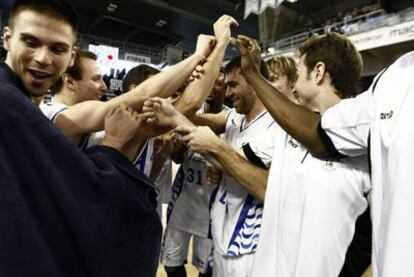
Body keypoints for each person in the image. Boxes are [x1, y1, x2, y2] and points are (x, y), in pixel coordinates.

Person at [0, 0, 161, 276]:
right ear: (7, 39)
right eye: (30, 41)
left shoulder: (24, 104)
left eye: (57, 48)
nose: (43, 58)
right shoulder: (12, 104)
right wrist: (113, 145)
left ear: (70, 56)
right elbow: (79, 195)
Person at [231, 33, 371, 277]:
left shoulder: (366, 135)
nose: (293, 83)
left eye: (297, 72)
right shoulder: (288, 127)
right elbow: (238, 156)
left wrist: (253, 74)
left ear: (318, 72)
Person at [144, 55, 276, 277]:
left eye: (233, 84)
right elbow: (199, 122)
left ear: (254, 81)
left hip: (248, 238)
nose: (228, 91)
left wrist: (216, 155)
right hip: (220, 225)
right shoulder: (234, 116)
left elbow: (237, 165)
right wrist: (175, 109)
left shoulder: (273, 127)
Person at [160, 73, 227, 277]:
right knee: (171, 264)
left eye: (219, 82)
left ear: (227, 89)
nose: (212, 87)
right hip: (183, 201)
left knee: (205, 270)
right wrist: (177, 149)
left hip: (211, 208)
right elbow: (178, 159)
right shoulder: (189, 116)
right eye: (210, 81)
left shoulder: (231, 119)